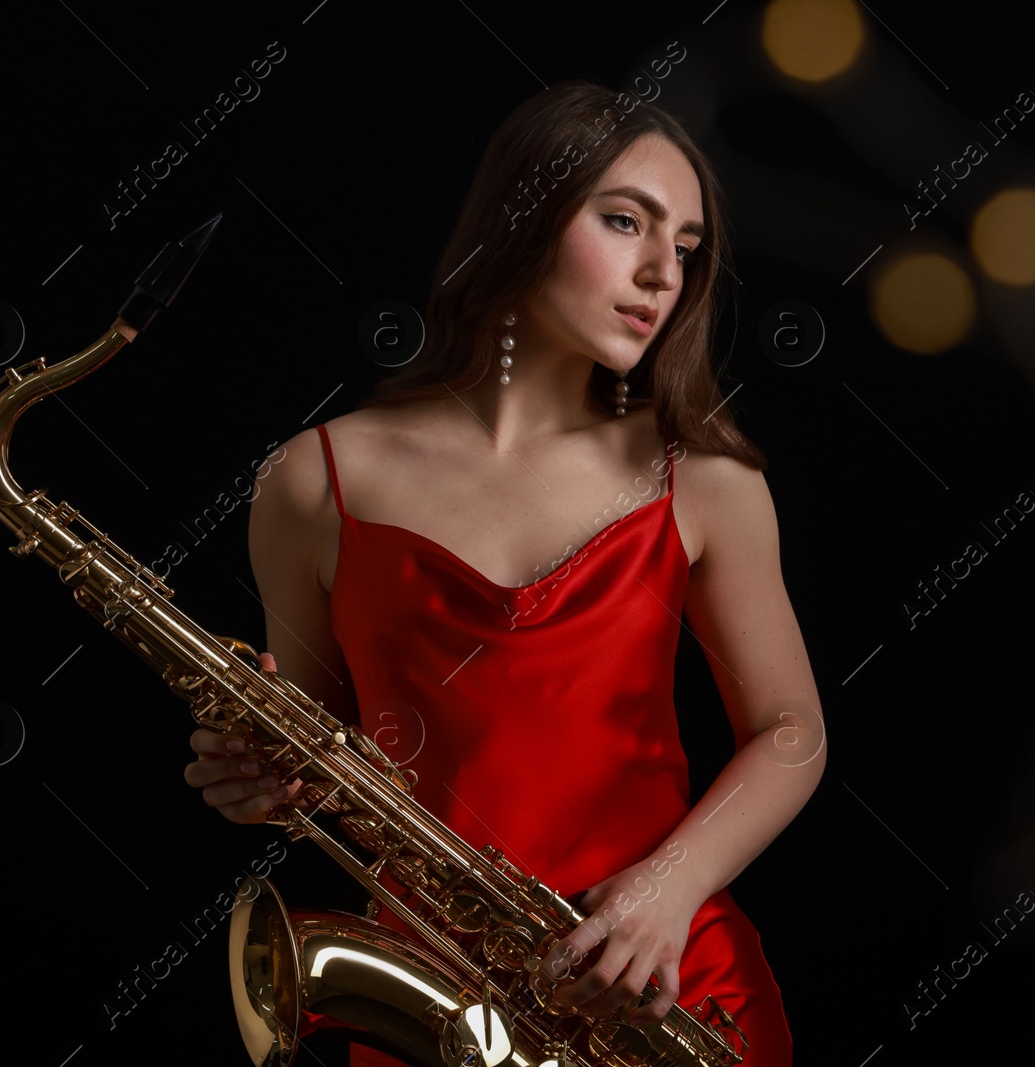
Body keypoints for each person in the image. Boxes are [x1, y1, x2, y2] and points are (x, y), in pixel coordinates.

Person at [185, 79, 825, 1066]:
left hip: (665, 992)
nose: (663, 273)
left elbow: (792, 731)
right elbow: (311, 741)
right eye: (625, 222)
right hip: (431, 997)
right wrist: (256, 779)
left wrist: (667, 889)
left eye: (687, 248)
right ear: (521, 216)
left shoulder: (701, 477)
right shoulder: (313, 480)